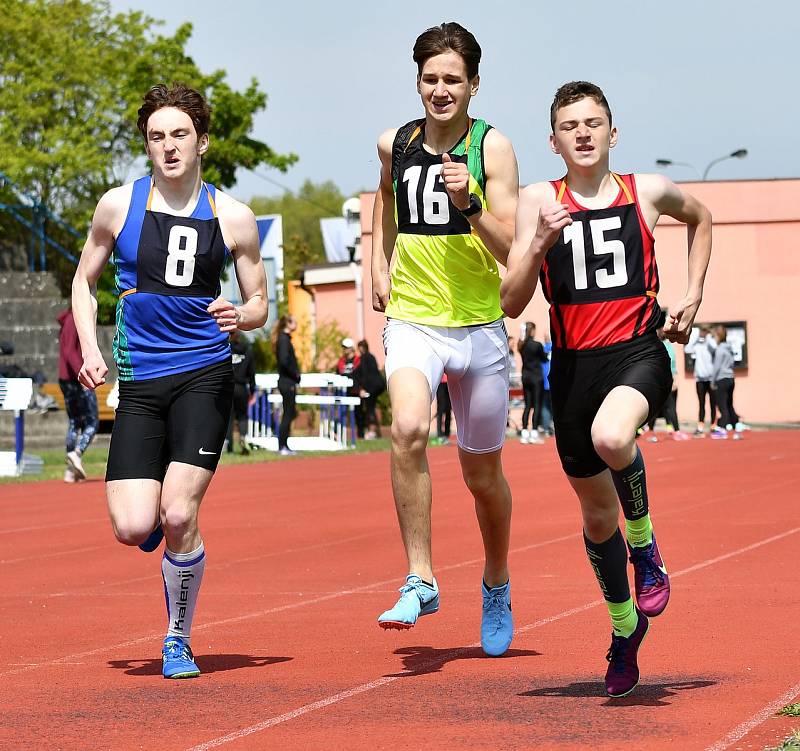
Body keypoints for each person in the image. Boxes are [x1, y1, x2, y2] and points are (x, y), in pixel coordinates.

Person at [501, 81, 712, 695]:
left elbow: (702, 218)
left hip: (637, 354)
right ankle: (624, 631)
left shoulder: (644, 192)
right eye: (571, 126)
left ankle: (645, 545)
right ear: (555, 141)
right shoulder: (538, 200)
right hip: (572, 370)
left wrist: (693, 292)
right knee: (597, 519)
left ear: (613, 133)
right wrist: (539, 240)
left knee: (613, 436)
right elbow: (512, 303)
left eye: (594, 123)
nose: (584, 134)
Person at [71, 83, 267, 679]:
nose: (169, 146)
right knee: (134, 526)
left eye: (180, 133)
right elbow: (82, 282)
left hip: (204, 374)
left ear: (201, 140)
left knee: (179, 513)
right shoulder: (118, 205)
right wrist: (88, 347)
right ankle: (157, 526)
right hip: (138, 379)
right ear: (147, 146)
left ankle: (177, 637)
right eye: (157, 136)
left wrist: (243, 315)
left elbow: (260, 302)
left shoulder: (230, 215)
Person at [371, 22, 519, 656]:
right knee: (406, 429)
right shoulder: (394, 144)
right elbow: (384, 200)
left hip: (480, 325)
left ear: (473, 85)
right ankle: (420, 576)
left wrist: (470, 202)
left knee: (481, 475)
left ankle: (496, 580)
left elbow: (511, 246)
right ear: (418, 82)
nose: (440, 90)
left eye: (452, 79)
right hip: (413, 318)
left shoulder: (495, 149)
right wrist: (377, 263)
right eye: (429, 79)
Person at [57, 306, 99, 482]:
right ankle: (76, 453)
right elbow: (70, 352)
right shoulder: (76, 319)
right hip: (76, 378)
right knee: (92, 422)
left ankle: (70, 471)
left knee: (74, 422)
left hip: (64, 378)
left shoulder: (67, 319)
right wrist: (83, 375)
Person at [643, 312, 689, 442]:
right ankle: (663, 431)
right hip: (660, 381)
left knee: (662, 408)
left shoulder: (666, 346)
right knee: (663, 408)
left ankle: (663, 431)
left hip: (663, 380)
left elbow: (672, 364)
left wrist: (674, 379)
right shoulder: (660, 345)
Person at [227, 329, 256, 454]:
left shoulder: (225, 350)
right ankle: (244, 438)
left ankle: (228, 445)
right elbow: (252, 373)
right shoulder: (247, 350)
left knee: (229, 417)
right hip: (242, 387)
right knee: (242, 416)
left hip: (228, 387)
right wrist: (252, 390)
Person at [517, 322, 547, 444]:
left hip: (526, 377)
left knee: (527, 405)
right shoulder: (537, 345)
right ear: (532, 331)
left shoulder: (521, 345)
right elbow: (544, 358)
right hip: (536, 378)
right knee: (537, 404)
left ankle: (524, 432)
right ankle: (534, 431)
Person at [274, 315, 301, 455]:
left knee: (289, 413)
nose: (296, 324)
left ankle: (284, 445)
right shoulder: (284, 340)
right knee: (288, 414)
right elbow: (284, 362)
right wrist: (295, 374)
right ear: (288, 324)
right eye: (294, 321)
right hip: (287, 381)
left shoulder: (285, 339)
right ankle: (282, 446)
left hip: (288, 381)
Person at [685, 325, 718, 435]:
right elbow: (687, 349)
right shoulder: (696, 344)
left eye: (705, 331)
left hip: (711, 379)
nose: (703, 333)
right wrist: (696, 336)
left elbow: (715, 348)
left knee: (713, 403)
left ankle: (714, 425)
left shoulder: (710, 343)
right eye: (702, 331)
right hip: (700, 379)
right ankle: (700, 426)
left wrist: (708, 337)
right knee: (701, 403)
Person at [710, 324, 741, 439]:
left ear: (718, 336)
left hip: (721, 379)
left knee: (722, 405)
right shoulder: (729, 349)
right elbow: (732, 363)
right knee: (729, 404)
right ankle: (736, 427)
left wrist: (712, 381)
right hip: (730, 378)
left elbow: (716, 367)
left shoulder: (720, 350)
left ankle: (722, 429)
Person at [356, 339, 386, 439]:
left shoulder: (363, 358)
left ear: (362, 348)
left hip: (371, 387)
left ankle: (372, 432)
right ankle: (376, 432)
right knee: (371, 407)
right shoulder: (372, 356)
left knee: (370, 408)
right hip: (379, 385)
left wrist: (363, 389)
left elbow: (365, 375)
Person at [337, 337, 363, 438]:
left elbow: (360, 375)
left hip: (356, 390)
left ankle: (361, 435)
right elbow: (339, 373)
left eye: (346, 347)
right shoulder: (341, 361)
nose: (345, 349)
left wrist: (361, 389)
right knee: (342, 413)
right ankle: (338, 434)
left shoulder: (357, 360)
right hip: (344, 391)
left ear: (352, 348)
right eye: (343, 347)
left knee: (359, 413)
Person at [435, 375, 452, 445]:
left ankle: (446, 435)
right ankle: (440, 435)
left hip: (450, 382)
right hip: (440, 382)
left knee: (448, 409)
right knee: (441, 409)